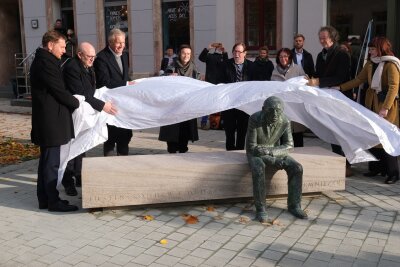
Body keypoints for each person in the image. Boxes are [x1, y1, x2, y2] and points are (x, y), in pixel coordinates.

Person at [30, 30, 80, 212]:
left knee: (46, 162)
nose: (64, 50)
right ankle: (53, 201)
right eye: (61, 46)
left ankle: (45, 199)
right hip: (50, 123)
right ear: (50, 45)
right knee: (51, 164)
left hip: (48, 121)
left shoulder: (46, 60)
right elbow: (59, 90)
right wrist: (76, 103)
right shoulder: (46, 63)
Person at [340, 37, 400, 184]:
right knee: (373, 135)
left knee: (386, 137)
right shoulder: (371, 63)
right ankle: (376, 167)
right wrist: (340, 87)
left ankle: (393, 172)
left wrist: (385, 108)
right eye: (370, 49)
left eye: (373, 49)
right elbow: (358, 80)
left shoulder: (391, 64)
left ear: (381, 49)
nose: (370, 51)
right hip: (372, 103)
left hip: (387, 105)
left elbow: (394, 87)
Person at [61, 42, 117, 195]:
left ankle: (79, 176)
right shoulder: (72, 67)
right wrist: (102, 105)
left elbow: (91, 91)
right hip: (72, 113)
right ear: (80, 55)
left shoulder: (88, 66)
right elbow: (80, 93)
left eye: (94, 57)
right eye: (89, 57)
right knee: (71, 147)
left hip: (85, 113)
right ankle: (68, 182)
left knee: (82, 145)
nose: (93, 60)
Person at [246, 96, 307, 223]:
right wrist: (272, 160)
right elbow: (252, 148)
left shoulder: (285, 121)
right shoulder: (254, 119)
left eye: (278, 111)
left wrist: (271, 153)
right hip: (256, 153)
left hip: (276, 152)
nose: (275, 114)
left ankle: (294, 205)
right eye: (271, 110)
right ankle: (261, 208)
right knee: (258, 169)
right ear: (263, 109)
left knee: (297, 168)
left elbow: (289, 146)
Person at [307, 26, 352, 177]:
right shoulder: (321, 55)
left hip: (341, 98)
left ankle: (347, 164)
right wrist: (310, 78)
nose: (321, 40)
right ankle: (339, 162)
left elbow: (341, 77)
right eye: (320, 38)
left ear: (332, 37)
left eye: (324, 38)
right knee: (333, 131)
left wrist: (319, 81)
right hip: (327, 98)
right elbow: (318, 73)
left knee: (342, 132)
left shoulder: (342, 54)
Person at [94, 28, 134, 156]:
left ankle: (123, 167)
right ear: (110, 42)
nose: (122, 45)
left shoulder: (125, 55)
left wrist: (132, 84)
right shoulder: (101, 58)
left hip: (124, 106)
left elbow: (125, 77)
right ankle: (109, 169)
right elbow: (104, 82)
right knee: (110, 140)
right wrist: (126, 84)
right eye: (118, 43)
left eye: (123, 42)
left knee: (125, 138)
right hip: (110, 106)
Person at [159, 44, 200, 153]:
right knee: (172, 138)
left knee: (184, 136)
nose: (186, 55)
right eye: (184, 53)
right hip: (173, 107)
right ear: (179, 54)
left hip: (187, 107)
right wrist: (169, 77)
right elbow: (162, 79)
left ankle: (183, 152)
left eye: (188, 53)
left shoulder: (193, 67)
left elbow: (199, 83)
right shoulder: (172, 65)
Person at [271, 48, 307, 147]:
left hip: (296, 107)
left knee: (297, 136)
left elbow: (305, 83)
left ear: (290, 57)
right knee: (283, 136)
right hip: (282, 108)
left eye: (285, 56)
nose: (283, 58)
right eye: (281, 56)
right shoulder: (274, 71)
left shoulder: (298, 69)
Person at [221, 42, 253, 150]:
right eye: (235, 51)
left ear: (245, 53)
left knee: (242, 130)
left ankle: (239, 151)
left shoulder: (251, 66)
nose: (236, 54)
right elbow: (220, 83)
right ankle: (229, 151)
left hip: (244, 104)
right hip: (229, 103)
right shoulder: (225, 65)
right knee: (229, 131)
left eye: (239, 52)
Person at [198, 42, 228, 129]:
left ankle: (220, 123)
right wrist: (208, 48)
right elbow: (201, 58)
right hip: (210, 83)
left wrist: (225, 52)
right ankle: (204, 122)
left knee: (220, 103)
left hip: (220, 83)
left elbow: (227, 65)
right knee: (208, 103)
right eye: (217, 47)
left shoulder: (223, 57)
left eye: (220, 47)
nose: (219, 48)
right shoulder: (210, 56)